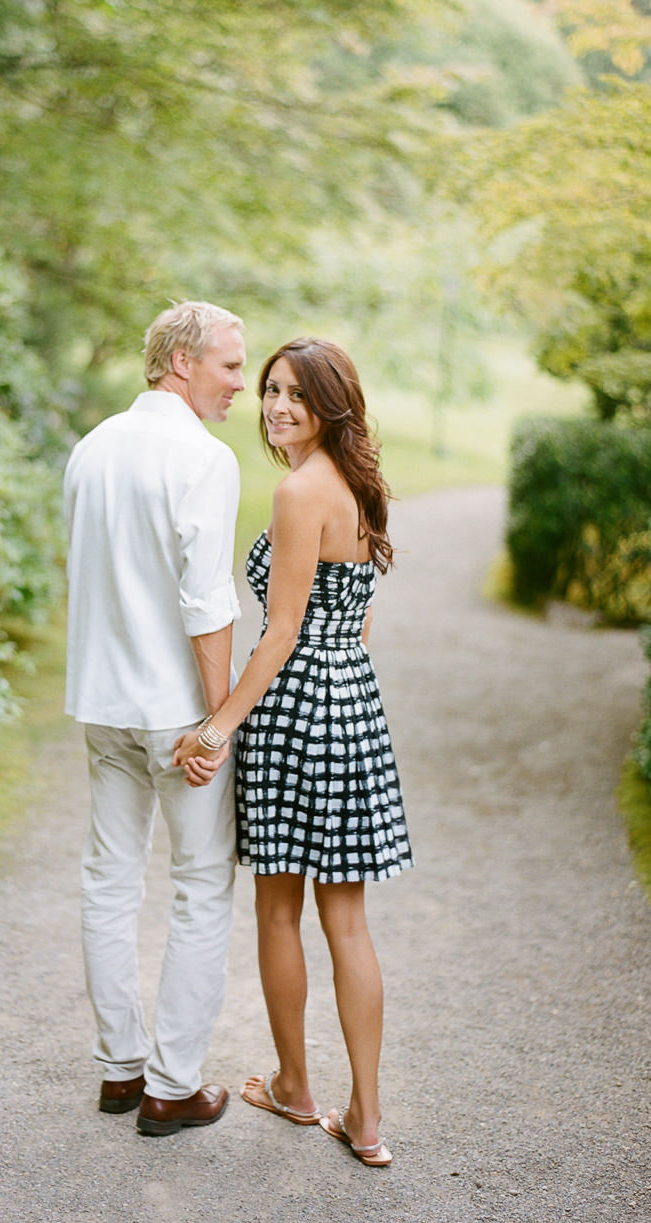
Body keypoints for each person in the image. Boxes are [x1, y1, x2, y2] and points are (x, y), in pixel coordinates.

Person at [173, 336, 413, 1168]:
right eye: (269, 389)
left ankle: (297, 1087)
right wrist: (335, 679)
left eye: (295, 395)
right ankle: (368, 1120)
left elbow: (278, 632)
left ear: (330, 404)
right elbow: (357, 615)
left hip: (293, 711)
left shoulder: (296, 489)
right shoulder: (359, 486)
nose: (276, 405)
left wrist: (218, 725)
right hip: (352, 703)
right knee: (347, 921)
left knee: (279, 910)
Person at [62, 300, 245, 1137]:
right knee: (202, 882)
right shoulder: (203, 458)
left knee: (110, 878)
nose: (242, 383)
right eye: (230, 365)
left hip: (102, 701)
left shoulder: (92, 448)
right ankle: (173, 1084)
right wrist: (219, 718)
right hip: (177, 715)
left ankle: (119, 1070)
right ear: (181, 360)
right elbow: (208, 603)